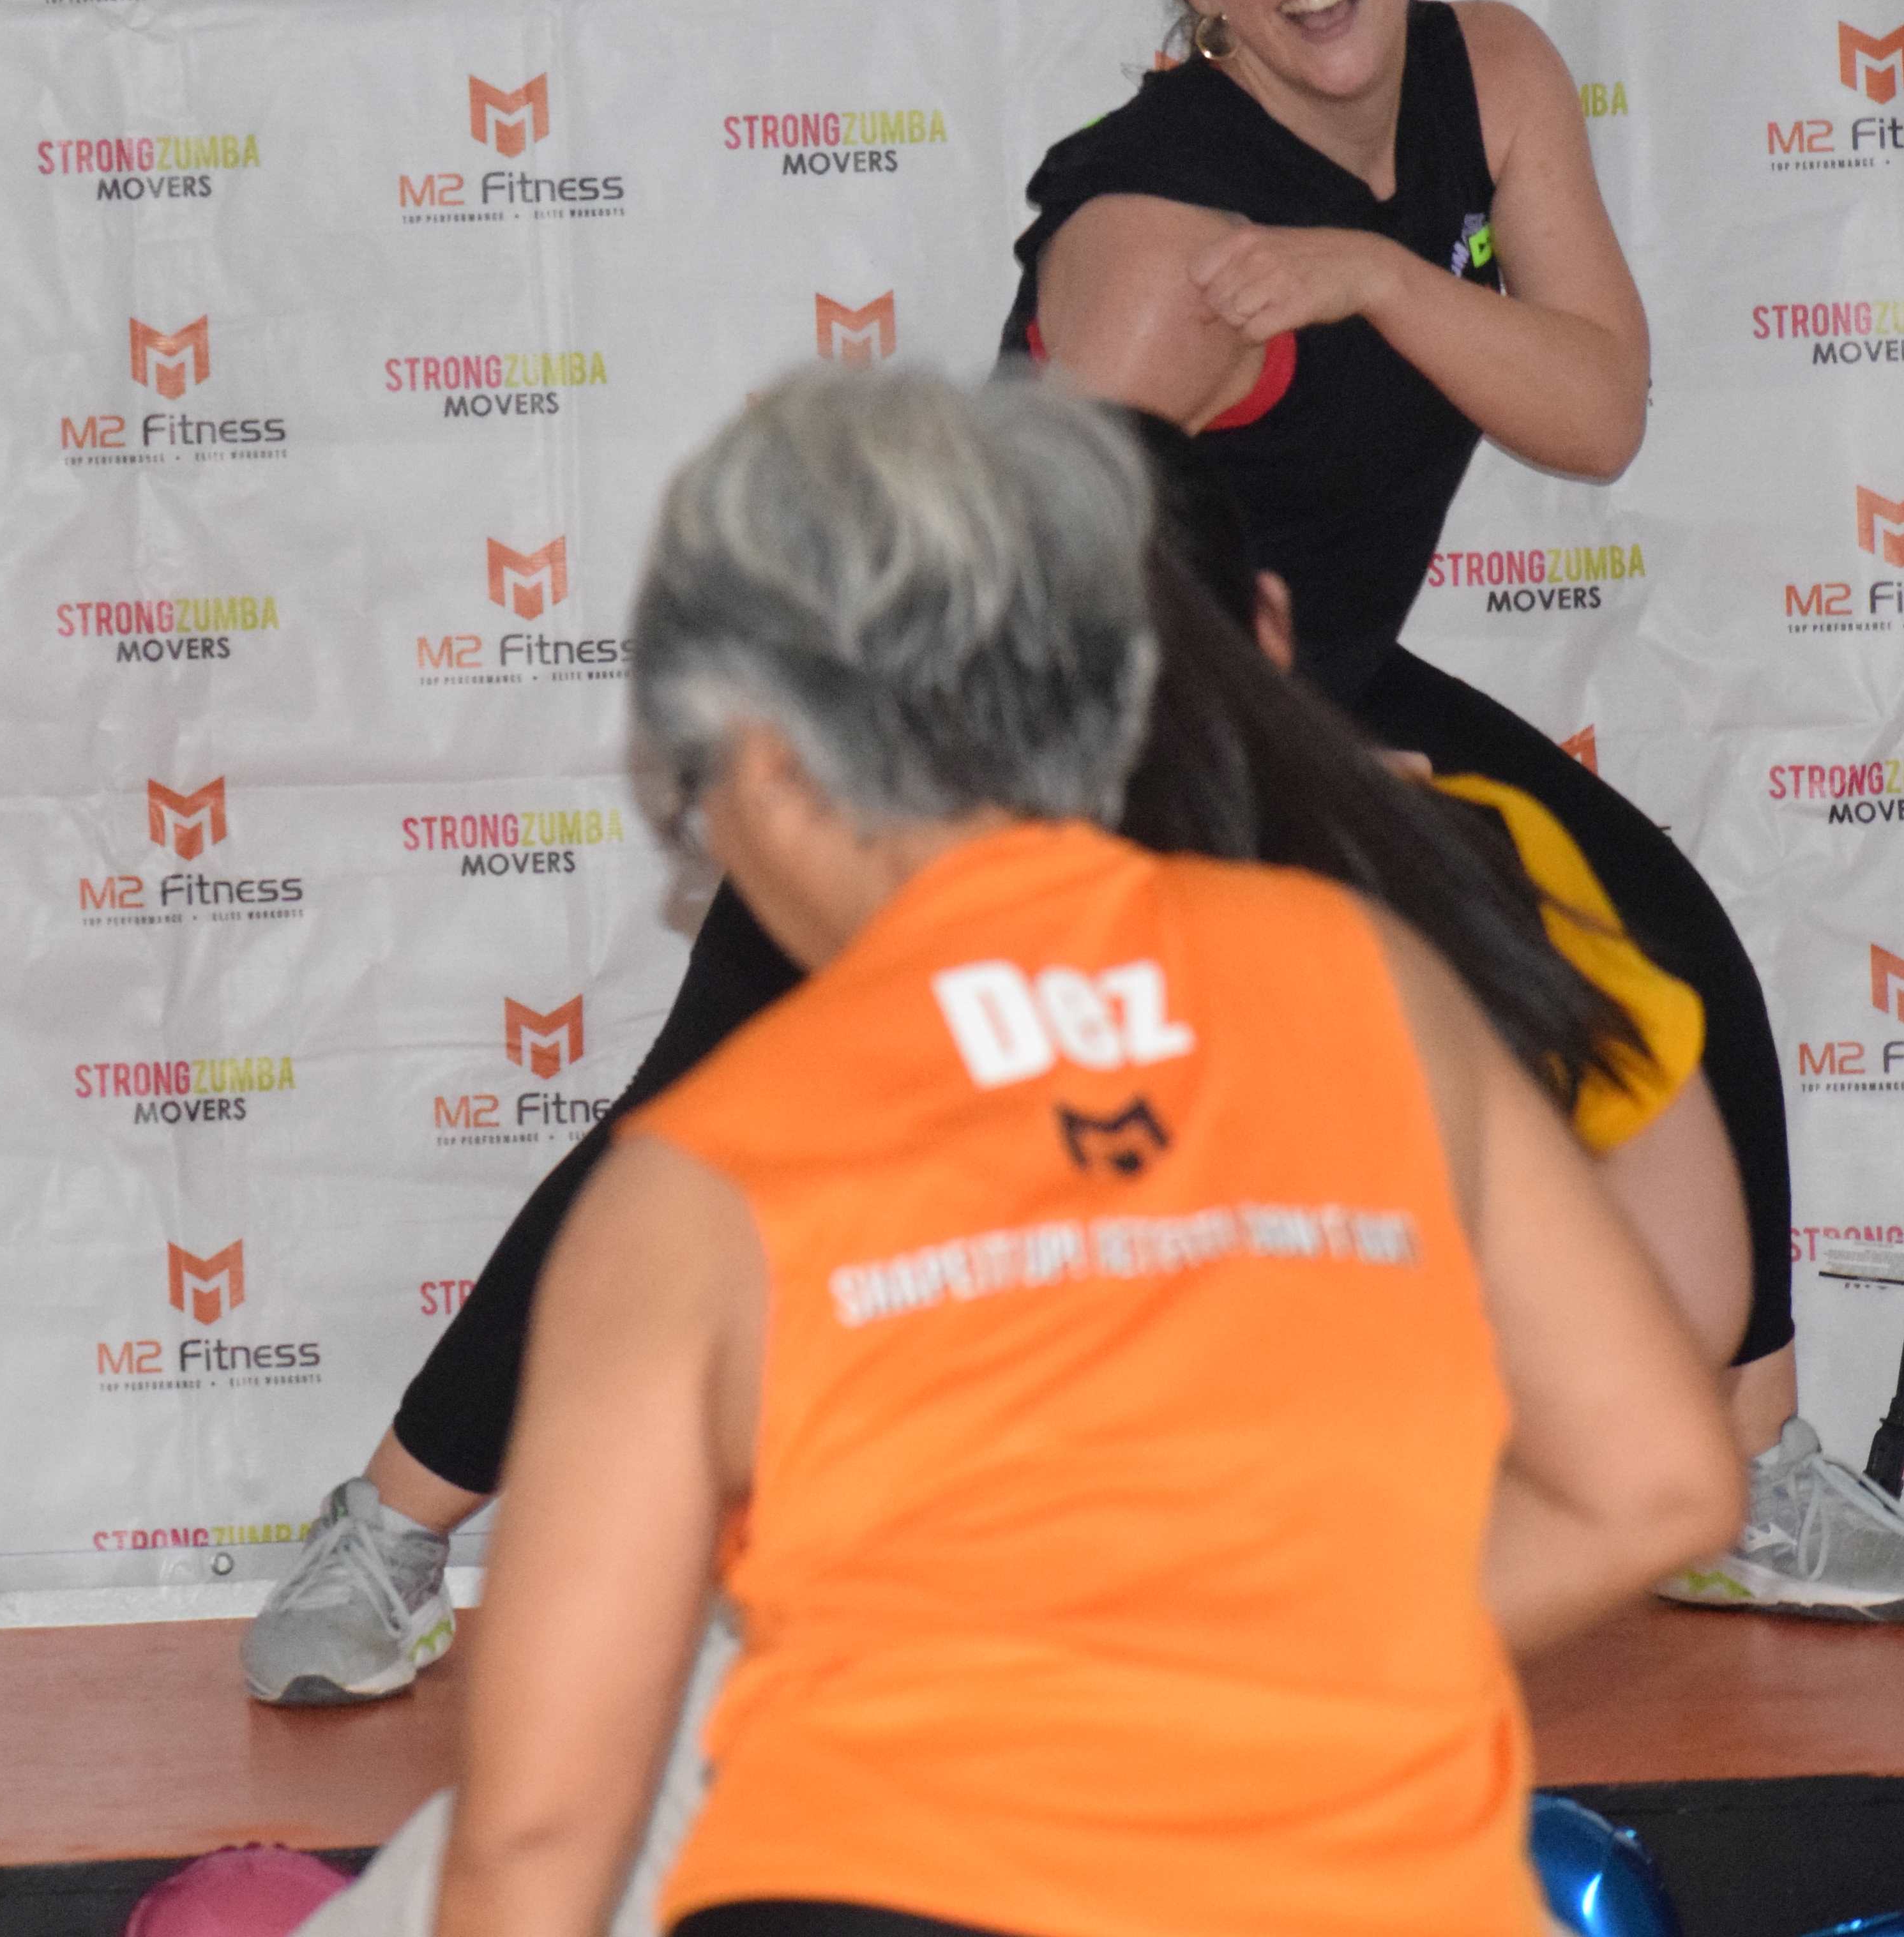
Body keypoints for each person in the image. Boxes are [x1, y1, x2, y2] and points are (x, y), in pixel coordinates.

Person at [430, 367, 1742, 1937]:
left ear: (771, 767)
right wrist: (1258, 1677)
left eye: (697, 797)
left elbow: (536, 1833)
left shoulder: (698, 1176)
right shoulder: (1368, 974)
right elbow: (1658, 1479)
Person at [1003, 0, 1904, 1621]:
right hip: (1095, 712)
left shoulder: (1491, 73)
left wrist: (1384, 278)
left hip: (1331, 672)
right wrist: (1272, 795)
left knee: (1667, 953)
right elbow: (1054, 588)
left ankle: (1744, 1478)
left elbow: (1595, 410)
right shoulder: (1156, 233)